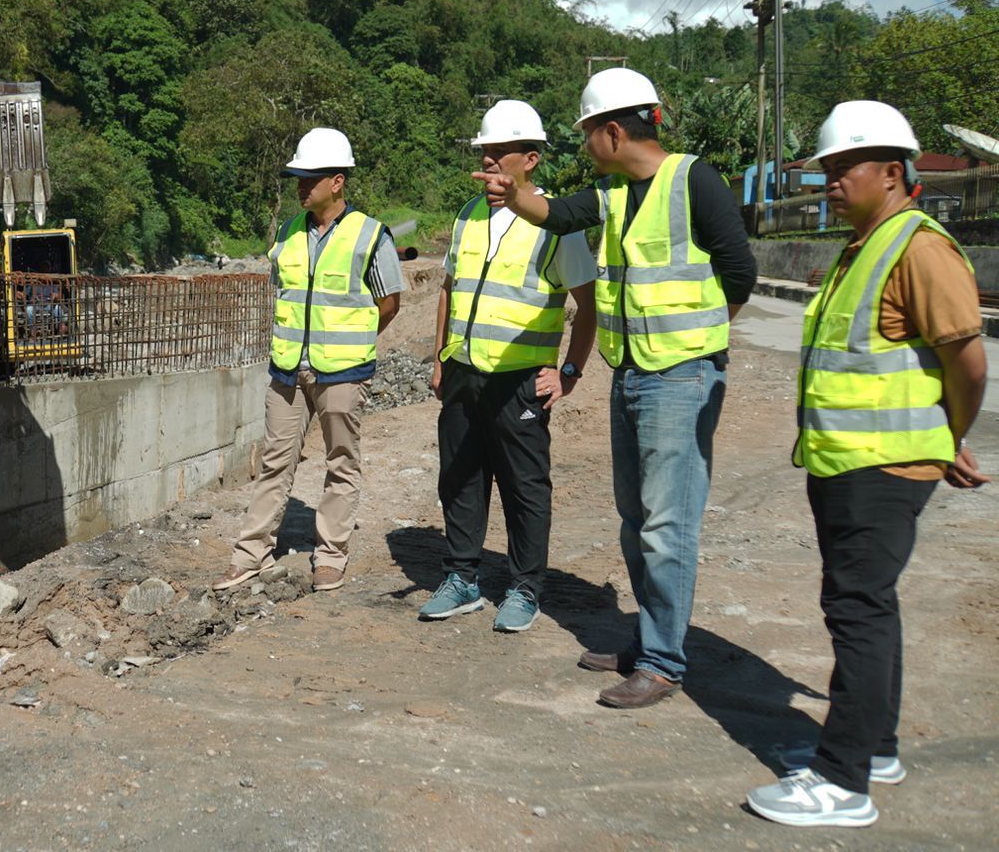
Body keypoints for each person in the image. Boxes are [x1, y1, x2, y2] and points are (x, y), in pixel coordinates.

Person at [474, 67, 756, 708]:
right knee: (635, 519)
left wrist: (703, 341)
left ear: (611, 130)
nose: (583, 147)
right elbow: (555, 214)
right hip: (631, 373)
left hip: (680, 376)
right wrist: (512, 191)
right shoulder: (615, 194)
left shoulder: (693, 181)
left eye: (585, 135)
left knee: (667, 523)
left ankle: (662, 662)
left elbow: (739, 271)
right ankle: (648, 640)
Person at [745, 101, 988, 828]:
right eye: (825, 170)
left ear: (891, 172)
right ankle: (874, 748)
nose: (830, 182)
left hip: (881, 469)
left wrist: (950, 434)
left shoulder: (917, 248)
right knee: (867, 605)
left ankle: (843, 782)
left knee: (858, 610)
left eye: (841, 168)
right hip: (852, 463)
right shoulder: (866, 245)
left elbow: (967, 361)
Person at [423, 100, 598, 632]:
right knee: (459, 479)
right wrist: (440, 359)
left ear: (532, 159)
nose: (491, 162)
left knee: (525, 488)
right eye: (485, 152)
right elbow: (450, 290)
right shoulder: (467, 216)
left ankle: (524, 588)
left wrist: (568, 374)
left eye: (501, 153)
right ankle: (462, 579)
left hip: (521, 382)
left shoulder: (557, 223)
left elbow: (587, 304)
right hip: (463, 374)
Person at [213, 127, 403, 594]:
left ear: (337, 181)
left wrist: (348, 341)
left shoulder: (370, 235)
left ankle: (331, 555)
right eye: (296, 177)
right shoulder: (288, 233)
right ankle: (250, 553)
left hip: (342, 373)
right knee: (276, 463)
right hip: (287, 372)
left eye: (309, 178)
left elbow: (389, 303)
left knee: (342, 462)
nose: (300, 185)